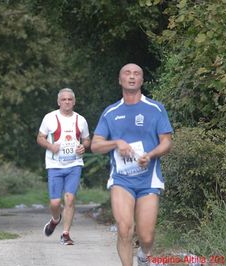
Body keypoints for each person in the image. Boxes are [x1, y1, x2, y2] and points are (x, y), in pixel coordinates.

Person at [91, 63, 173, 266]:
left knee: (146, 236)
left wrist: (151, 154)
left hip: (149, 179)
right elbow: (95, 145)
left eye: (137, 74)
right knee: (125, 228)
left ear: (142, 81)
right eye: (127, 73)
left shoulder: (155, 108)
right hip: (121, 180)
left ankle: (144, 256)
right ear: (120, 80)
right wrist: (116, 142)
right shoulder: (110, 112)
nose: (131, 76)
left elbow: (167, 142)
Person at [37, 88, 90, 245]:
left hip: (74, 164)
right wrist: (50, 146)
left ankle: (65, 234)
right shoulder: (49, 118)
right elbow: (40, 138)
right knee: (55, 203)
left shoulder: (81, 120)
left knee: (70, 198)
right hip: (55, 165)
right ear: (58, 101)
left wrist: (84, 147)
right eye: (64, 99)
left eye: (69, 99)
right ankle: (55, 219)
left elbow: (87, 139)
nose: (67, 102)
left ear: (74, 102)